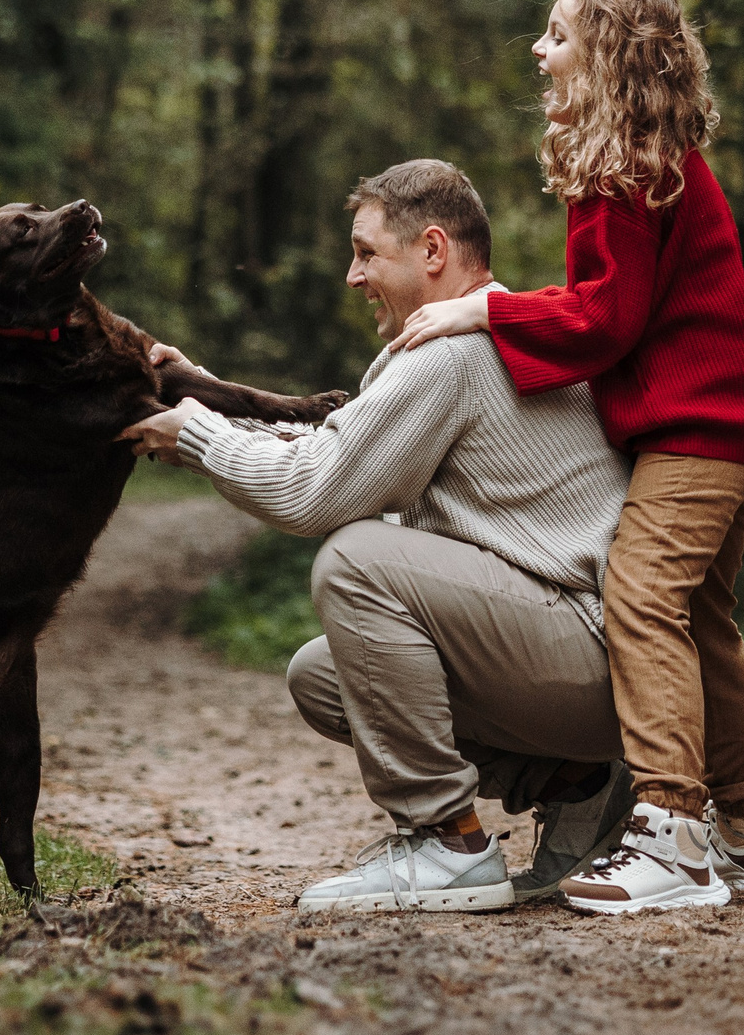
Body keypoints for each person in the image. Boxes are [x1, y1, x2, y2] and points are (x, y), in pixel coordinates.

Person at [119, 159, 639, 913]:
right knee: (324, 676)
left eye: (366, 253)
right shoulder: (482, 335)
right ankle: (580, 786)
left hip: (592, 657)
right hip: (584, 662)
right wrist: (208, 403)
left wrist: (199, 436)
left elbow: (313, 495)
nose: (352, 276)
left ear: (433, 252)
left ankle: (447, 844)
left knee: (357, 562)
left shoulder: (454, 354)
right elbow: (334, 452)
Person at [390, 0, 744, 914]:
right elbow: (610, 307)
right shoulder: (642, 156)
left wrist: (485, 312)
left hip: (703, 424)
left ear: (608, 56)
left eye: (558, 35)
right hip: (726, 415)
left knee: (644, 597)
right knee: (702, 621)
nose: (540, 50)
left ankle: (671, 833)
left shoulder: (625, 167)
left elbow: (603, 322)